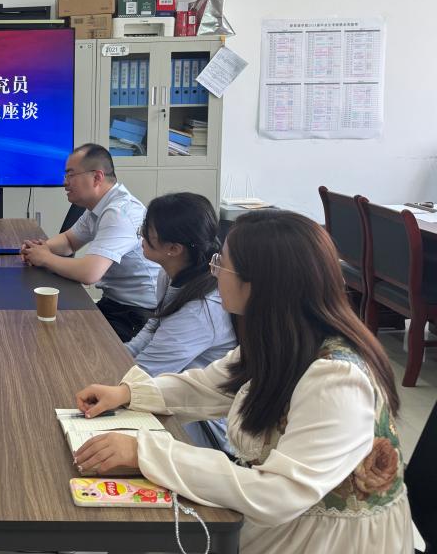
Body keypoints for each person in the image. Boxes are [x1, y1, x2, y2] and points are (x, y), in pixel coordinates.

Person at [73, 210, 411, 554]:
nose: (214, 271)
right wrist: (127, 393)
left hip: (322, 541)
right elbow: (207, 385)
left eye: (223, 263)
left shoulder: (336, 380)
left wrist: (146, 452)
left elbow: (279, 493)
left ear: (260, 284)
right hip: (277, 522)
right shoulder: (281, 340)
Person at [128, 192, 237, 449]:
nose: (141, 236)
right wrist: (122, 352)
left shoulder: (202, 309)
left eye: (147, 232)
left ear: (174, 249)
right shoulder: (171, 273)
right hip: (170, 390)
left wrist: (107, 375)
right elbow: (154, 326)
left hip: (198, 425)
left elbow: (146, 373)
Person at [20, 143, 158, 341]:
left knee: (54, 339)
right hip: (115, 304)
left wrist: (45, 258)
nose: (65, 182)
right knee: (47, 329)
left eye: (70, 175)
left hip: (137, 315)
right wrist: (40, 248)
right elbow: (69, 241)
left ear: (97, 177)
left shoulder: (119, 213)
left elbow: (89, 273)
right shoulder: (99, 206)